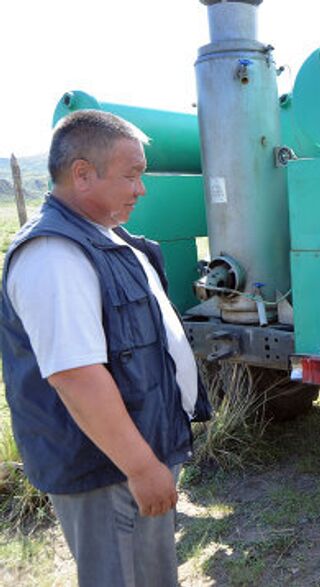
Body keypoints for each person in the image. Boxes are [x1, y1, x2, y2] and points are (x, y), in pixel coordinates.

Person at [0, 110, 211, 586]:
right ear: (82, 174)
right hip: (106, 470)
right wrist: (140, 467)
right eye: (131, 175)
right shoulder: (54, 255)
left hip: (130, 458)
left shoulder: (103, 236)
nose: (142, 189)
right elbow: (76, 375)